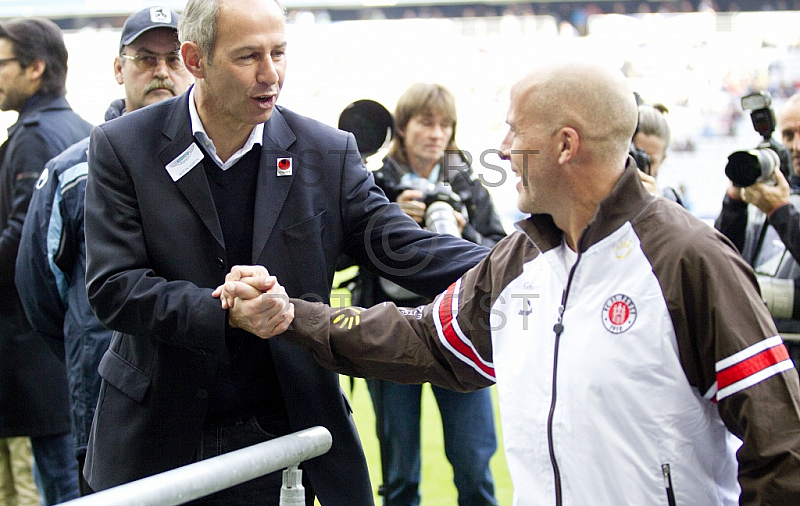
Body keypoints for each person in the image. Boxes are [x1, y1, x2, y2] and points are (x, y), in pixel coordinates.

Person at [221, 62, 800, 505]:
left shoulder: (691, 258)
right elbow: (424, 341)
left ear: (565, 145)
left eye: (512, 128)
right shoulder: (521, 257)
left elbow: (782, 444)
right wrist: (291, 315)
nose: (499, 148)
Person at [82, 0, 488, 505]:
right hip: (161, 433)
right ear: (195, 59)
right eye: (248, 56)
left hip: (290, 429)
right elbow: (115, 288)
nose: (270, 74)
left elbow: (405, 248)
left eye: (278, 53)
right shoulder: (121, 146)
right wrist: (226, 312)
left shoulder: (327, 152)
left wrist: (523, 263)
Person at [14, 6, 192, 496]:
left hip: (203, 402)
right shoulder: (71, 171)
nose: (160, 71)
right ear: (119, 69)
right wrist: (91, 342)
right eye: (144, 57)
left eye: (173, 58)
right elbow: (40, 290)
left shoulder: (222, 160)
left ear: (194, 64)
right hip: (103, 402)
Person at [360, 83, 504, 506]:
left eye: (446, 125)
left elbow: (501, 252)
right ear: (402, 127)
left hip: (459, 333)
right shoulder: (373, 182)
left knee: (475, 468)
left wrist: (463, 231)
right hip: (391, 331)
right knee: (400, 475)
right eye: (427, 122)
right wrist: (388, 222)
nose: (437, 133)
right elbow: (338, 252)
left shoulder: (466, 180)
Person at [0, 17, 92, 505]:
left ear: (35, 68)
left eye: (2, 64)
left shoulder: (36, 135)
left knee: (62, 484)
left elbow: (23, 247)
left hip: (38, 350)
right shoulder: (78, 127)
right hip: (66, 344)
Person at [715, 92, 800, 369]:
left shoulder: (777, 205)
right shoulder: (766, 196)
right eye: (788, 136)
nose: (796, 146)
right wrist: (734, 203)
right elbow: (720, 260)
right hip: (761, 354)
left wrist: (780, 212)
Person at [632, 102, 684, 205]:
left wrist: (656, 206)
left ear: (662, 160)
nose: (642, 165)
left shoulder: (671, 202)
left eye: (650, 161)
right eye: (637, 156)